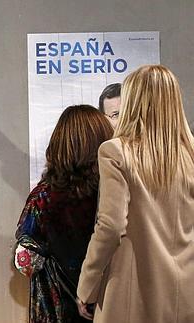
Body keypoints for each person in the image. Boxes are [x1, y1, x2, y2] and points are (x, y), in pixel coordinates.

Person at [76, 65, 194, 323]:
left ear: (134, 102)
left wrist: (88, 284)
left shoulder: (116, 152)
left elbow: (111, 225)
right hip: (185, 297)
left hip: (131, 298)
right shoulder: (191, 155)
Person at [14, 105, 113, 323]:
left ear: (59, 146)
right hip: (110, 308)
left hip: (57, 314)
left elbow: (25, 262)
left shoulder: (43, 197)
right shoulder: (117, 194)